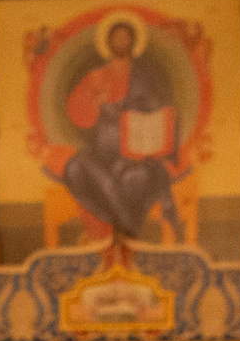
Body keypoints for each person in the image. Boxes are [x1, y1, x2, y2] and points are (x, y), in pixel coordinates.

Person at [58, 18, 183, 244]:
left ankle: (123, 231)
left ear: (134, 43)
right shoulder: (96, 77)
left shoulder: (144, 79)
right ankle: (128, 227)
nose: (121, 41)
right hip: (100, 153)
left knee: (135, 179)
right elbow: (77, 113)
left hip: (133, 155)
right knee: (74, 168)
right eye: (116, 37)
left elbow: (159, 115)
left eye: (126, 37)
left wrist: (142, 123)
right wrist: (95, 102)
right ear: (108, 42)